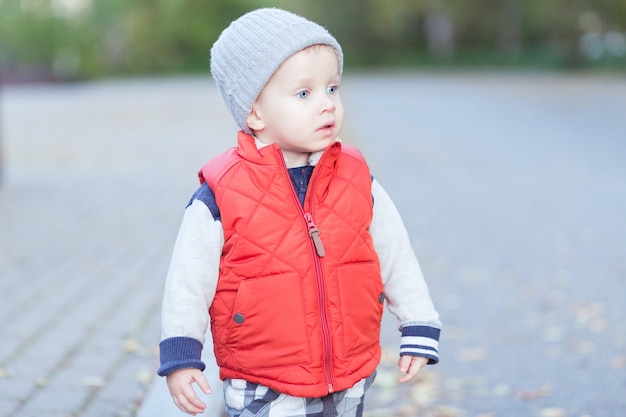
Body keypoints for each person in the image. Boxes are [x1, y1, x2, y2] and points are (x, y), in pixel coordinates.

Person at [157, 7, 441, 417]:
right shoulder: (221, 193)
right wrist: (181, 355)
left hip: (349, 373)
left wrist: (418, 323)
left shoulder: (356, 177)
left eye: (332, 88)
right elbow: (188, 279)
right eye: (304, 94)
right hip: (262, 380)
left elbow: (395, 253)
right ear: (255, 112)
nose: (326, 105)